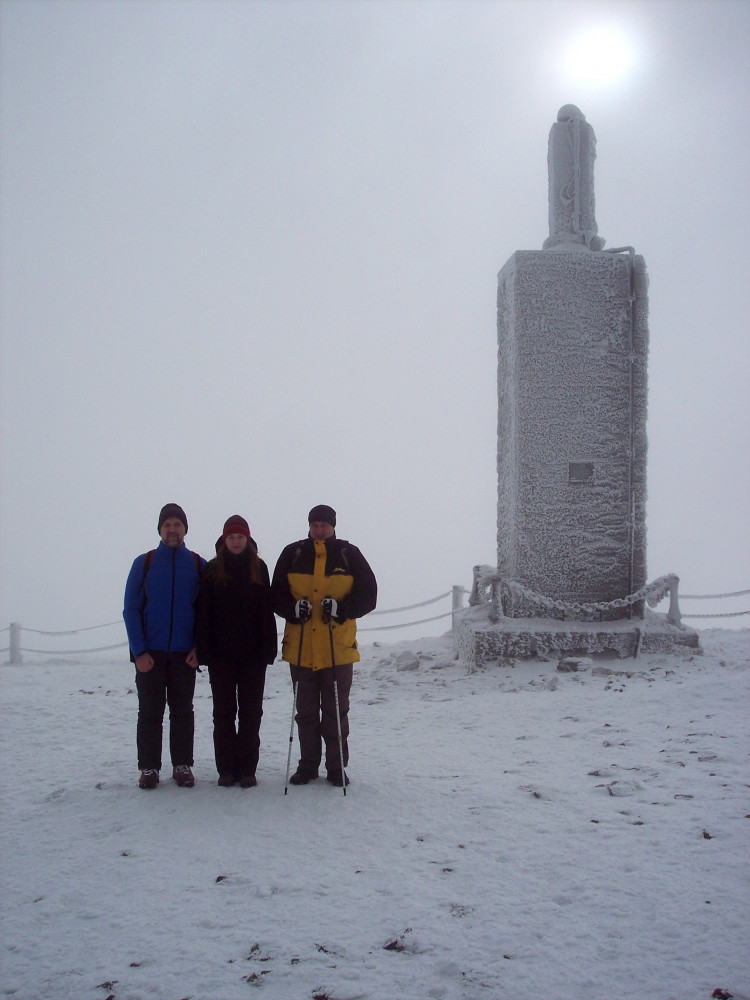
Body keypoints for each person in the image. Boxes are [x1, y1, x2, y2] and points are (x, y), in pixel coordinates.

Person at [271, 504, 377, 787]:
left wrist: (342, 609)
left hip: (337, 649)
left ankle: (336, 767)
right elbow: (275, 594)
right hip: (301, 648)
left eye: (324, 525)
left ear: (333, 526)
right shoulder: (293, 553)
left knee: (335, 712)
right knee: (305, 712)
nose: (319, 530)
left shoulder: (348, 554)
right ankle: (307, 766)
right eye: (315, 525)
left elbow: (369, 596)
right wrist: (293, 609)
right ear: (309, 526)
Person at [123, 503, 205, 790]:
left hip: (185, 654)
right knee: (150, 712)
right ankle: (149, 768)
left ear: (185, 529)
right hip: (151, 654)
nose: (172, 530)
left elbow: (207, 612)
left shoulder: (198, 565)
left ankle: (182, 766)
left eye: (177, 525)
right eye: (167, 525)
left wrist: (199, 647)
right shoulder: (144, 563)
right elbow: (131, 610)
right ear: (159, 529)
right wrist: (139, 652)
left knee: (182, 711)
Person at [194, 515, 277, 788]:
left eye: (240, 537)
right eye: (231, 537)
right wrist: (204, 650)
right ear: (224, 540)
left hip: (253, 656)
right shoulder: (212, 569)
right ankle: (227, 769)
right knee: (224, 714)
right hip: (221, 656)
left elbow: (266, 610)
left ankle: (247, 769)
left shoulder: (259, 567)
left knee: (251, 714)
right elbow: (203, 612)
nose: (236, 541)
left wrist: (269, 648)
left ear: (248, 539)